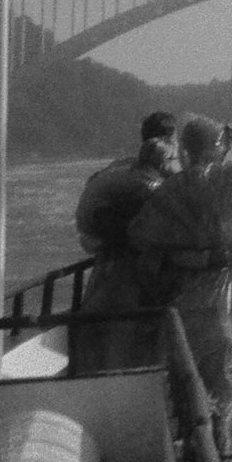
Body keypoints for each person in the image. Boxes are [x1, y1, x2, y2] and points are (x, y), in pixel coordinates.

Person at [127, 115, 232, 462]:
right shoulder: (230, 180)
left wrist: (186, 255)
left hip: (182, 297)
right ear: (221, 147)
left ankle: (191, 447)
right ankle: (222, 449)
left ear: (184, 149)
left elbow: (139, 237)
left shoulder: (169, 189)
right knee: (223, 381)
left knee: (186, 376)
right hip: (224, 295)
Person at [69, 113, 182, 372]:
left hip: (100, 243)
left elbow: (95, 186)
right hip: (116, 245)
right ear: (170, 138)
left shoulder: (123, 164)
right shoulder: (150, 178)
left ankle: (96, 362)